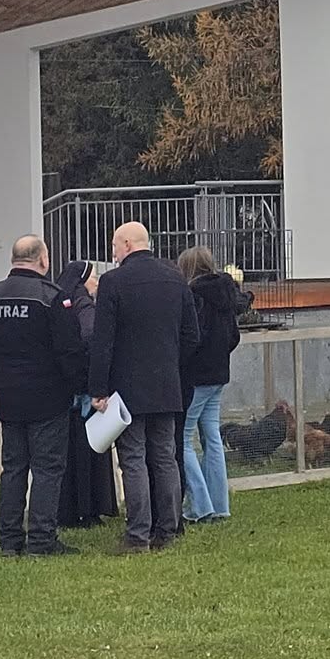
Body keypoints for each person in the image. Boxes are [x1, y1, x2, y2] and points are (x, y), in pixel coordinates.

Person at [90, 222, 200, 553]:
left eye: (113, 245)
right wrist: (169, 364)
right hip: (168, 384)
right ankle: (168, 529)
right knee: (165, 456)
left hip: (127, 388)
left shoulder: (113, 282)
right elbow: (191, 335)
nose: (112, 253)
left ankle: (138, 535)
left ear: (126, 243)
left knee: (133, 458)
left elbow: (103, 341)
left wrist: (98, 388)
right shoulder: (175, 278)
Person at [0, 235, 86, 558]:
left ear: (13, 259)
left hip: (9, 400)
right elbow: (70, 352)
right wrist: (75, 388)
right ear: (43, 260)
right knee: (47, 469)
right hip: (48, 400)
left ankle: (9, 540)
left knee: (12, 468)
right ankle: (41, 539)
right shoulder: (52, 298)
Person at [179, 246, 244, 524]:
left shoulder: (194, 297)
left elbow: (192, 337)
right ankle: (220, 505)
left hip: (196, 376)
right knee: (212, 439)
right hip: (219, 374)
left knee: (182, 439)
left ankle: (199, 506)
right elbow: (234, 337)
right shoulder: (227, 295)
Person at [54, 259, 117, 531]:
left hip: (63, 391)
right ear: (82, 281)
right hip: (84, 392)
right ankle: (88, 509)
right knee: (89, 451)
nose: (97, 282)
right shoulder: (85, 305)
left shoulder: (58, 301)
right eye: (94, 277)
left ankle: (67, 509)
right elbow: (92, 337)